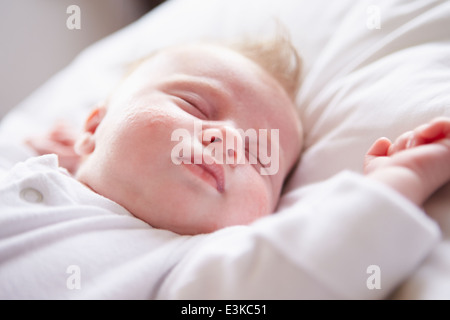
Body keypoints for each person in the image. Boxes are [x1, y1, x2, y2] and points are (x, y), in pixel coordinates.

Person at [1, 37, 447, 299]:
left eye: (260, 158)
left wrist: (398, 181)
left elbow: (298, 271)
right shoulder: (21, 166)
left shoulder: (185, 268)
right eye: (195, 106)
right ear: (94, 126)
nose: (231, 141)